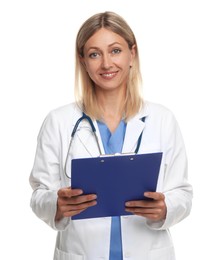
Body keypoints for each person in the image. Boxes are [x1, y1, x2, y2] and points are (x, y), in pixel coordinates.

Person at [29, 11, 193, 260]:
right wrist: (57, 205)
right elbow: (39, 193)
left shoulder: (162, 120)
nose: (106, 64)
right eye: (95, 54)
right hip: (81, 252)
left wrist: (165, 208)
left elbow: (182, 193)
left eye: (115, 50)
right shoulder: (58, 121)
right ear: (83, 61)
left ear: (132, 54)